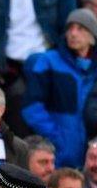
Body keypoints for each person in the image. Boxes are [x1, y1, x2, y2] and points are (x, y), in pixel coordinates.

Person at [23, 9, 97, 168]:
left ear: (92, 35)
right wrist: (56, 137)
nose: (73, 33)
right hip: (57, 155)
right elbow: (31, 107)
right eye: (70, 28)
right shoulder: (48, 61)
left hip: (90, 158)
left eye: (80, 28)